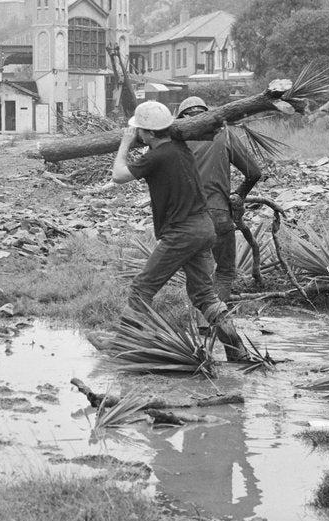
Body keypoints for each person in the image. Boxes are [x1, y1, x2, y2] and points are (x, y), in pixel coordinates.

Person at [91, 99, 248, 361]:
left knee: (142, 287)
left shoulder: (156, 156)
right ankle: (236, 348)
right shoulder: (181, 149)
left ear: (149, 134)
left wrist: (124, 143)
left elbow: (118, 176)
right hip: (204, 228)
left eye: (139, 130)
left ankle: (122, 344)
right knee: (204, 294)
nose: (138, 133)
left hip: (181, 234)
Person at [175, 95, 261, 303]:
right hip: (218, 214)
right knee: (223, 273)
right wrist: (238, 195)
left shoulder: (175, 139)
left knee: (197, 275)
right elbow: (254, 172)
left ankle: (198, 326)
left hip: (186, 218)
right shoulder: (225, 134)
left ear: (181, 117)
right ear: (208, 114)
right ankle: (214, 322)